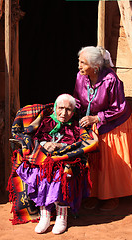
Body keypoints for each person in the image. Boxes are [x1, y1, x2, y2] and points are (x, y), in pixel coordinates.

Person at [73, 46, 132, 211]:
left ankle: (113, 196)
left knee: (111, 160)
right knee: (94, 158)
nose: (79, 66)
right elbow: (78, 99)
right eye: (79, 62)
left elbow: (119, 108)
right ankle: (95, 194)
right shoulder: (80, 77)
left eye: (83, 63)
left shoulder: (111, 79)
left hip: (115, 121)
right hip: (93, 121)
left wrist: (97, 118)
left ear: (95, 66)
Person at [16, 94, 88, 234]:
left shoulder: (74, 126)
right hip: (44, 157)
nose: (63, 113)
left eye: (68, 109)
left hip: (65, 159)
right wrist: (44, 144)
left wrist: (59, 145)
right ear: (55, 108)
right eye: (60, 108)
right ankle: (45, 216)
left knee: (60, 175)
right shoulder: (46, 121)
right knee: (40, 173)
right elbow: (36, 138)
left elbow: (77, 144)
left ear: (73, 112)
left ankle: (62, 217)